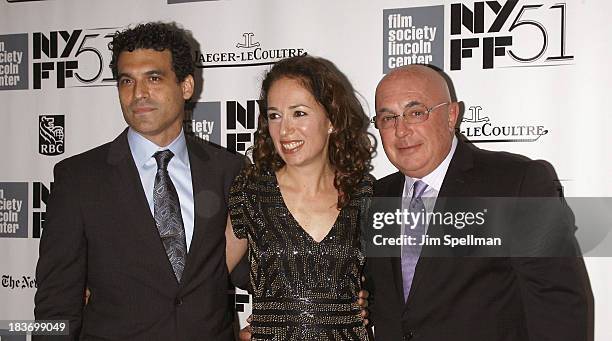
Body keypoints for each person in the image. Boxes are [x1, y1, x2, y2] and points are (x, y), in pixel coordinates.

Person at [34, 22, 245, 340]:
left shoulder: (228, 171)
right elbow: (55, 304)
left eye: (154, 78)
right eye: (126, 81)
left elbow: (252, 270)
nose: (139, 94)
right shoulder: (78, 180)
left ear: (186, 86)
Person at [366, 64, 592, 340]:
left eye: (416, 113)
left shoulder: (516, 184)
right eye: (388, 118)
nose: (401, 130)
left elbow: (560, 307)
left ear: (451, 115)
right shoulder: (374, 197)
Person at [225, 55, 374, 340]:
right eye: (274, 115)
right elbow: (207, 281)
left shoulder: (364, 193)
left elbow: (392, 285)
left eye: (299, 113)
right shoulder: (252, 192)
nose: (285, 130)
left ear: (331, 119)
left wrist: (370, 303)